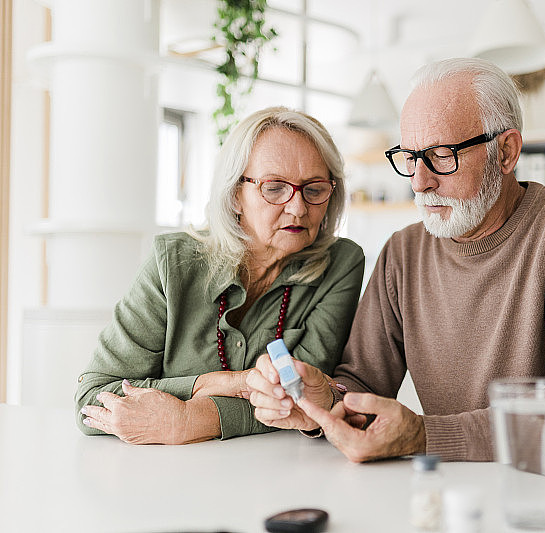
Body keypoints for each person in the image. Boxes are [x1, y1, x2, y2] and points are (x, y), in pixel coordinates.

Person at [247, 58, 545, 462]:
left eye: (441, 155)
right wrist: (322, 401)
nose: (420, 181)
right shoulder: (402, 252)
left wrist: (425, 436)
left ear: (506, 152)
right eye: (410, 156)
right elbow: (362, 384)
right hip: (455, 492)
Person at [75, 107, 365, 444]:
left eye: (314, 190)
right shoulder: (173, 263)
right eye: (274, 188)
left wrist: (189, 420)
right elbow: (93, 398)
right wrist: (226, 383)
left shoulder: (341, 264)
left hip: (277, 472)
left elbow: (302, 401)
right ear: (235, 195)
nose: (298, 208)